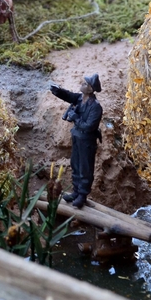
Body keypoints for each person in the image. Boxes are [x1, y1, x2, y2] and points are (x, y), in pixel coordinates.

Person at [49, 73, 103, 209]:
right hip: (77, 137)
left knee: (85, 168)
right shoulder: (80, 98)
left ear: (90, 89)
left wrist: (75, 118)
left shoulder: (95, 107)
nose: (82, 84)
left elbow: (89, 126)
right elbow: (68, 96)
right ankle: (76, 191)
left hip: (87, 140)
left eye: (86, 83)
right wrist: (57, 91)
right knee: (75, 165)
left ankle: (82, 195)